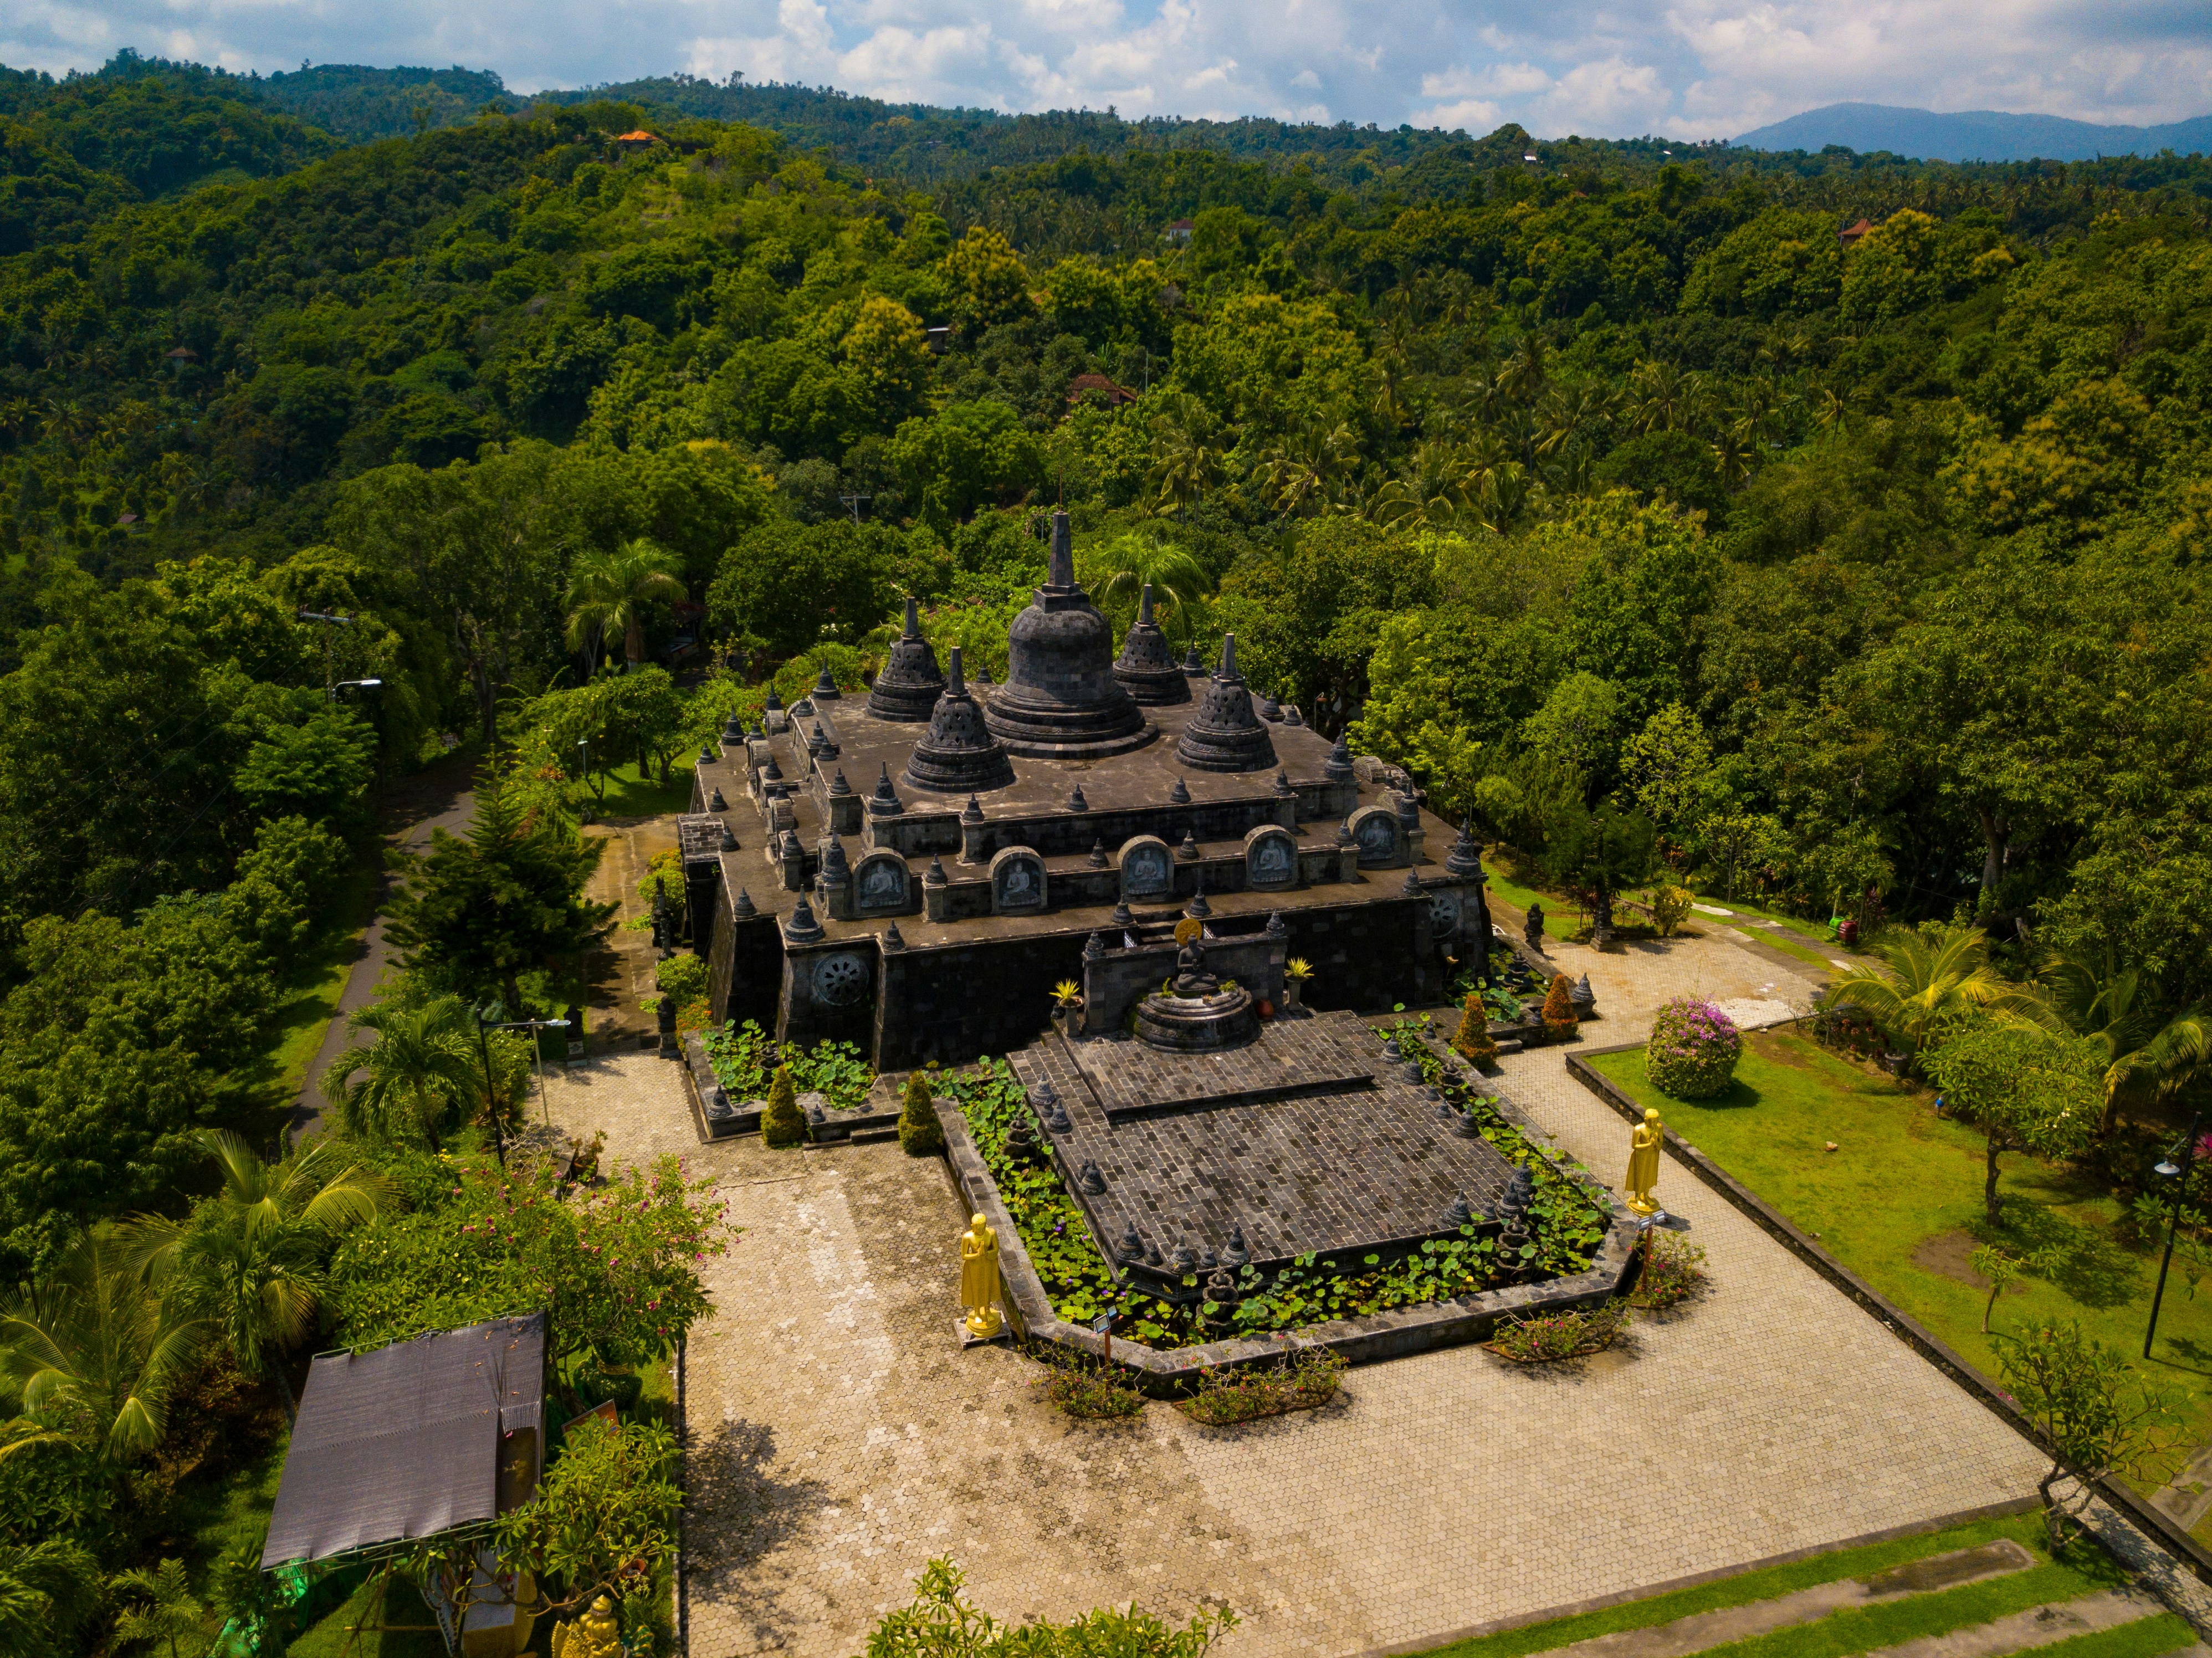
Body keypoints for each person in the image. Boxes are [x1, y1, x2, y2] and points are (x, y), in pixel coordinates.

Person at [959, 1214, 1003, 1338]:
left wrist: (987, 1253)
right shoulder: (968, 1237)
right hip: (975, 1266)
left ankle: (988, 1310)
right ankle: (978, 1312)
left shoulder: (991, 1233)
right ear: (973, 1227)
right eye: (978, 1228)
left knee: (988, 1285)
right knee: (977, 1288)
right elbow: (964, 1256)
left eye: (983, 1227)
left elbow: (996, 1250)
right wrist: (978, 1254)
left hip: (988, 1264)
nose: (980, 1230)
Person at [1624, 1107, 1663, 1216]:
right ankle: (1637, 1197)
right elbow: (1635, 1145)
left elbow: (1661, 1141)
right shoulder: (1639, 1129)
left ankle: (1646, 1195)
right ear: (1646, 1120)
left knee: (1649, 1175)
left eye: (1656, 1120)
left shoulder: (1659, 1128)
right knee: (1640, 1175)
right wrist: (1649, 1144)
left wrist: (1657, 1144)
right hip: (1641, 1156)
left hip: (1653, 1154)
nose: (1654, 1123)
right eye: (1652, 1121)